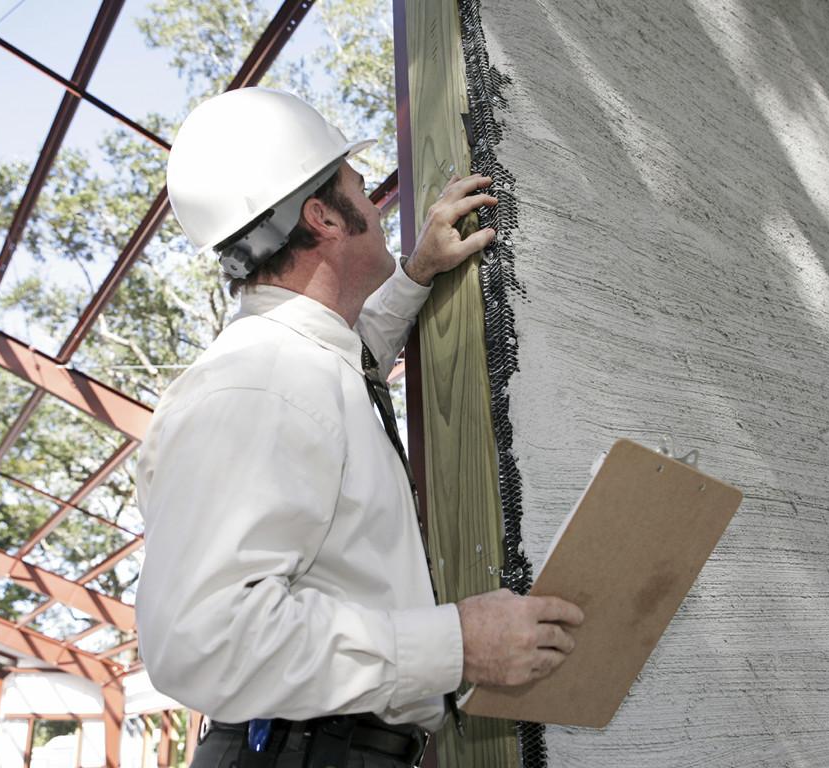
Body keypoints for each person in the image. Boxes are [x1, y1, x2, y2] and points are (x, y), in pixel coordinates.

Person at [135, 88, 583, 768]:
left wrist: (416, 274)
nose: (377, 207)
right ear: (323, 217)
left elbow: (346, 368)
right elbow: (203, 639)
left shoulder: (296, 371)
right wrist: (458, 642)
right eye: (360, 189)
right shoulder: (260, 383)